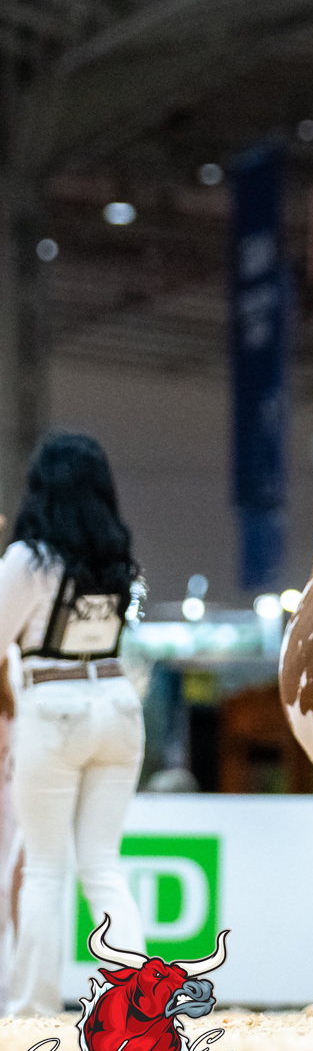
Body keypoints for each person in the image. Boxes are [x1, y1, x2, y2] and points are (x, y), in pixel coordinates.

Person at [4, 433, 147, 1017]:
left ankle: (33, 1011)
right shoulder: (118, 558)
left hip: (53, 704)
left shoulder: (29, 559)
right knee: (103, 867)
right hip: (118, 704)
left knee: (44, 870)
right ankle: (140, 1007)